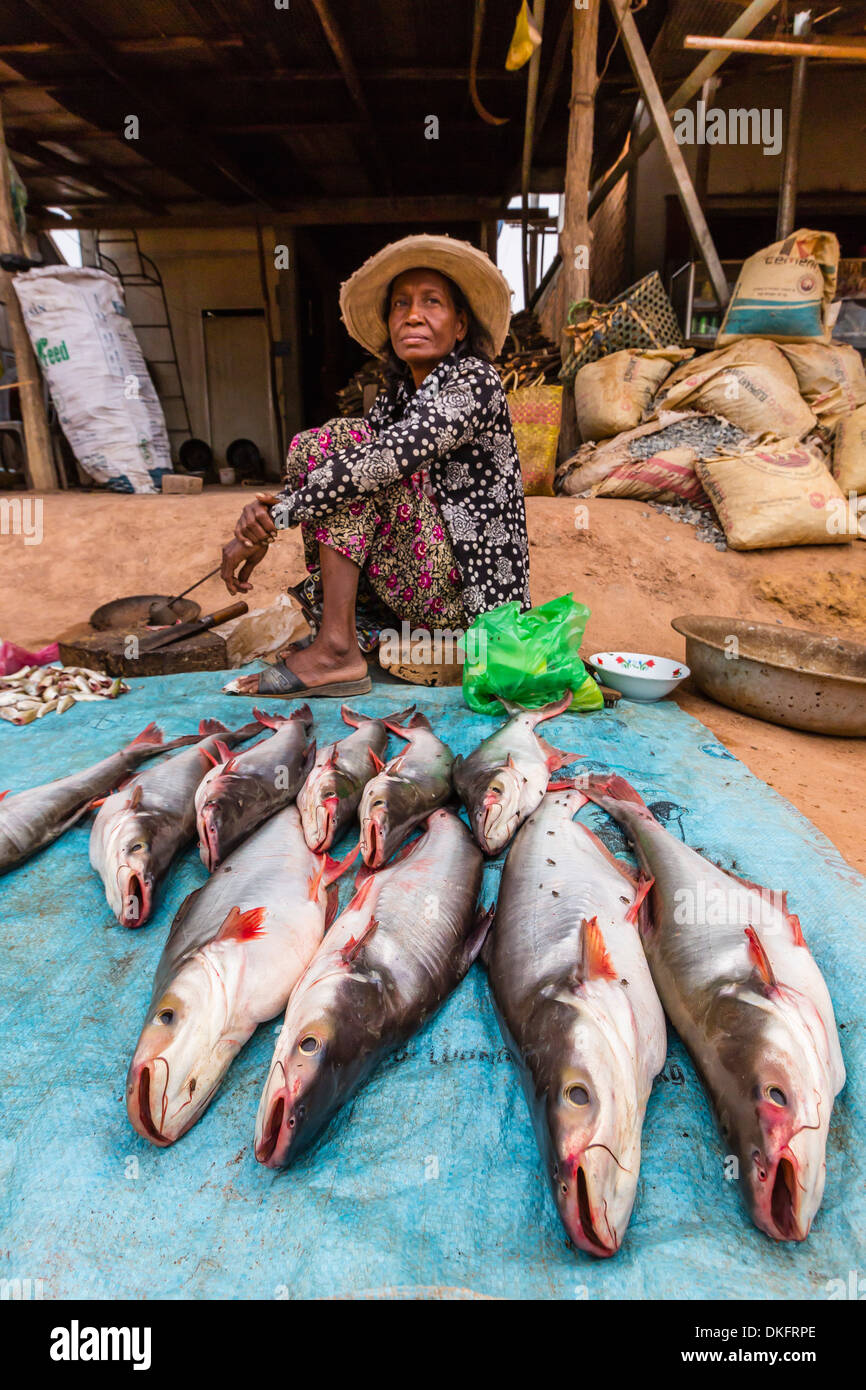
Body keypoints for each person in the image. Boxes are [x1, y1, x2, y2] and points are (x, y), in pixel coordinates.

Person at [221, 233, 530, 697]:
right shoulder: (396, 398)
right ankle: (340, 640)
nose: (413, 315)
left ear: (461, 325)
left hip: (467, 599)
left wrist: (280, 516)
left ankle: (337, 649)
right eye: (400, 304)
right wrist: (260, 522)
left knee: (349, 450)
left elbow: (380, 462)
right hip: (414, 583)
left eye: (432, 302)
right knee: (325, 447)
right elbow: (344, 468)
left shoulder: (476, 381)